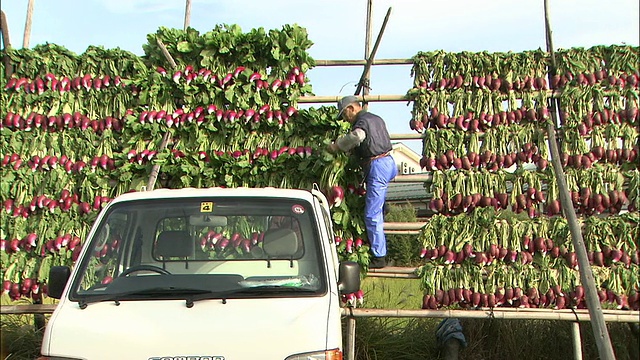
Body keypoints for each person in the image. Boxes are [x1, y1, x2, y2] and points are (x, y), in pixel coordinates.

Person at [327, 95, 398, 269]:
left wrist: (338, 146)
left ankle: (379, 257)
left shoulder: (362, 121)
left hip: (378, 165)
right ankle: (383, 205)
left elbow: (358, 136)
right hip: (389, 162)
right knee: (377, 201)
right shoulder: (376, 118)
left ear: (351, 108)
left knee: (371, 215)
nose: (345, 119)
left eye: (345, 115)